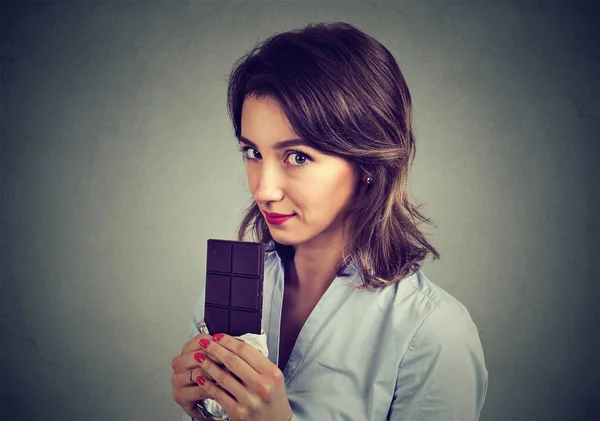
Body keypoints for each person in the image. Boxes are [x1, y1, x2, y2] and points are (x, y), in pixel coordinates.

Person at [171, 22, 488, 421]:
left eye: (297, 156)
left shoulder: (433, 333)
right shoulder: (220, 298)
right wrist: (201, 413)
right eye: (252, 152)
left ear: (368, 162)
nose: (264, 189)